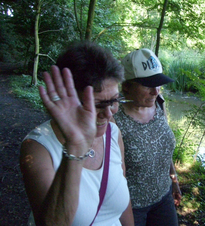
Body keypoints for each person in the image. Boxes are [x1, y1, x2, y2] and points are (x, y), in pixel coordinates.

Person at [20, 41, 134, 226]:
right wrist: (76, 146)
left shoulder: (113, 133)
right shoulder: (37, 148)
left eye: (114, 100)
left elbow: (122, 203)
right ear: (67, 98)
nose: (109, 113)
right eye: (98, 105)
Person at [113, 48, 181, 226]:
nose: (155, 91)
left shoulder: (159, 104)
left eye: (158, 83)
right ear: (126, 86)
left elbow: (164, 148)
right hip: (132, 207)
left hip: (163, 198)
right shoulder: (112, 117)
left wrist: (174, 180)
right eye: (147, 85)